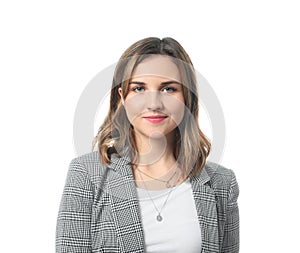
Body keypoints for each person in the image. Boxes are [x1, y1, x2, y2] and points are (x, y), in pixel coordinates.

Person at [56, 37, 239, 253]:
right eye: (139, 89)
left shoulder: (221, 183)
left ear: (186, 97)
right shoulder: (86, 174)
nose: (153, 104)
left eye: (169, 89)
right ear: (123, 97)